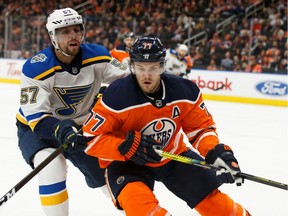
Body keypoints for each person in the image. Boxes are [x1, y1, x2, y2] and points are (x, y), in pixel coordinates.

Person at [82, 37, 251, 216]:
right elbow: (92, 139)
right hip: (127, 162)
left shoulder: (184, 91)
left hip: (173, 155)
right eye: (141, 68)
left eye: (153, 68)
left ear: (162, 66)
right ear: (132, 66)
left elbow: (201, 130)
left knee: (220, 207)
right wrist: (125, 147)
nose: (147, 75)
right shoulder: (116, 96)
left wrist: (215, 152)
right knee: (142, 208)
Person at [16, 8, 128, 216]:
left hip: (79, 127)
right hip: (37, 130)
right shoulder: (35, 68)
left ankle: (138, 210)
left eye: (77, 30)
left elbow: (128, 82)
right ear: (53, 36)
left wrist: (111, 93)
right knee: (51, 167)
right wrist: (60, 129)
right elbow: (36, 118)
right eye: (65, 32)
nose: (73, 36)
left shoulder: (99, 56)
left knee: (107, 173)